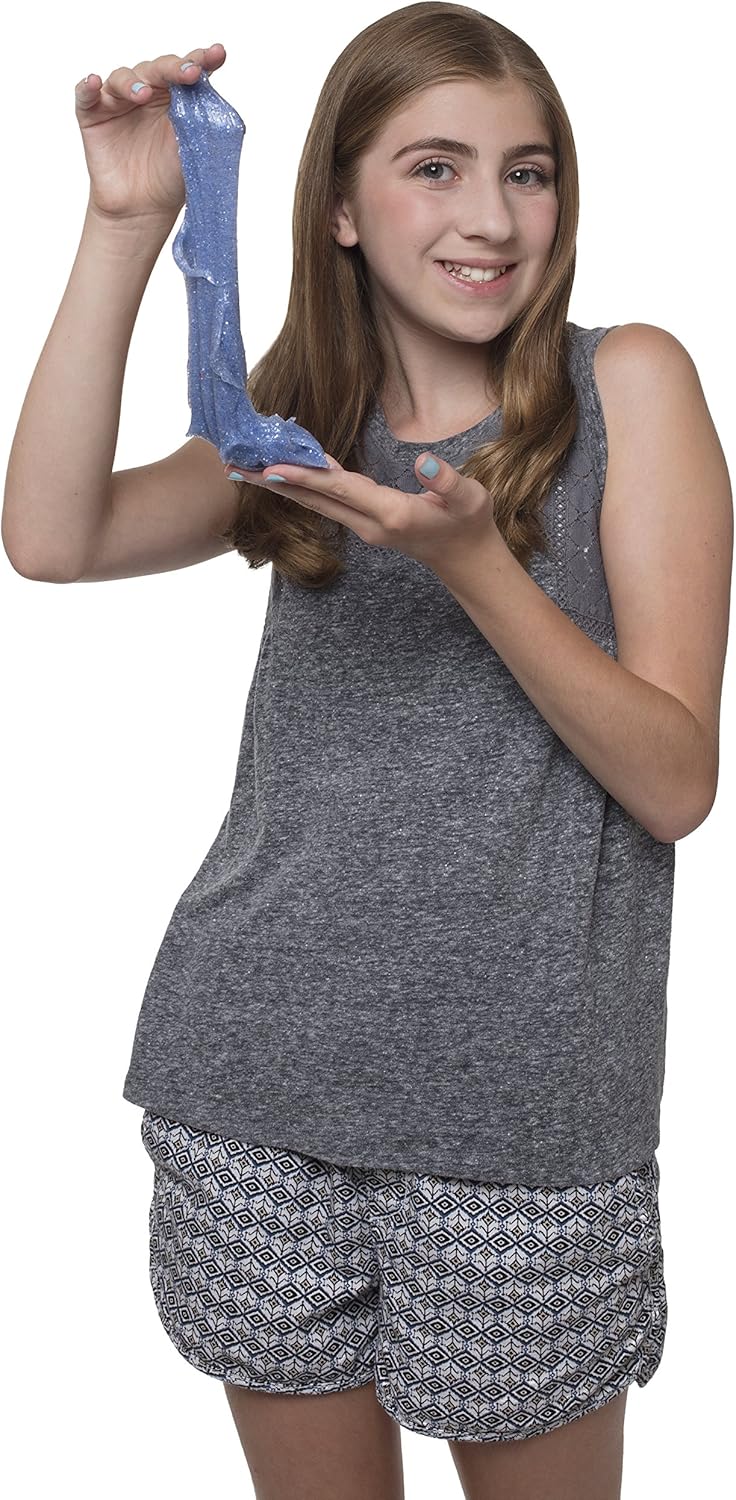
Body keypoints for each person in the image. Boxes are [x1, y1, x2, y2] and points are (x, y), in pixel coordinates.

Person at [3, 7, 732, 1499]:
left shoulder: (627, 384)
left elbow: (674, 781)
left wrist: (477, 566)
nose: (492, 219)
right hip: (252, 1081)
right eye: (435, 168)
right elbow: (53, 536)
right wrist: (129, 224)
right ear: (340, 206)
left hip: (523, 1119)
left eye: (527, 172)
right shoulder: (302, 427)